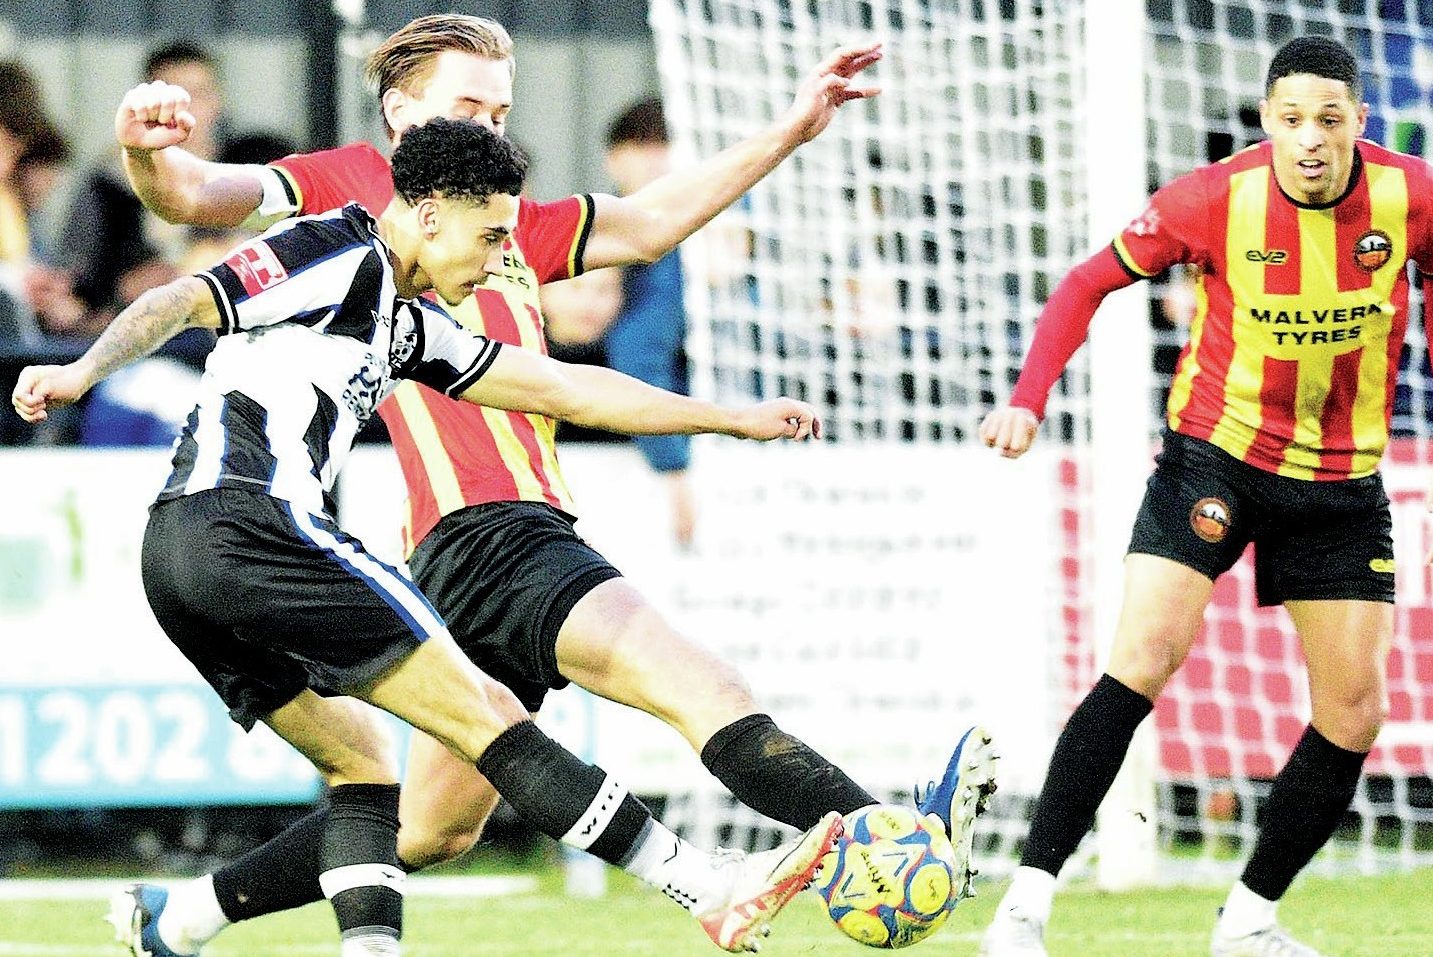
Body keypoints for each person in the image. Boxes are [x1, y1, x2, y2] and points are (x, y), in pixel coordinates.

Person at [109, 13, 998, 957]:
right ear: (400, 108)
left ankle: (182, 915)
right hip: (499, 537)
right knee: (702, 685)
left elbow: (649, 223)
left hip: (464, 551)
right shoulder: (352, 186)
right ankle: (882, 837)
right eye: (469, 106)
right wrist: (144, 144)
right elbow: (195, 194)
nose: (492, 127)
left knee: (431, 827)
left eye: (502, 109)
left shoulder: (507, 217)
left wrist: (788, 128)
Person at [14, 117, 843, 957]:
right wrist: (82, 371)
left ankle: (287, 940)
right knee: (489, 713)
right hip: (252, 522)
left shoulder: (409, 326)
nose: (493, 262)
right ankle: (708, 888)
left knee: (365, 763)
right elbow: (182, 297)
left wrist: (728, 419)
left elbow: (562, 387)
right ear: (431, 212)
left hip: (178, 555)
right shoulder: (331, 253)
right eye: (488, 238)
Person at [977, 36, 1414, 957]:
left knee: (1353, 712)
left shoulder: (1411, 196)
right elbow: (1087, 282)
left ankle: (1249, 919)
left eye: (1328, 121)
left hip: (1340, 481)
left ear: (1358, 126)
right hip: (1215, 459)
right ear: (1267, 122)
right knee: (1142, 653)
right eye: (1291, 120)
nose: (1309, 139)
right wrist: (1026, 399)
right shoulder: (1210, 199)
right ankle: (1023, 907)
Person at [599, 97, 698, 548]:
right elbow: (638, 350)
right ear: (614, 159)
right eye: (643, 146)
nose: (657, 159)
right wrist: (673, 463)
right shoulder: (597, 230)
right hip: (651, 440)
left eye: (665, 145)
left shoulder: (705, 235)